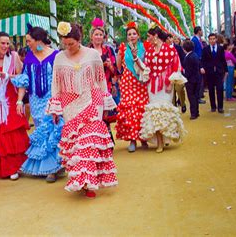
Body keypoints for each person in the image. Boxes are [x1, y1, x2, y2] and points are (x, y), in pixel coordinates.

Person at [47, 22, 117, 198]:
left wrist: (105, 103)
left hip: (92, 100)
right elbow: (56, 83)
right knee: (77, 144)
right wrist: (55, 108)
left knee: (90, 141)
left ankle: (88, 183)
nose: (68, 47)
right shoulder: (59, 58)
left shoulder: (93, 55)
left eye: (71, 43)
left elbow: (101, 80)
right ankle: (83, 179)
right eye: (65, 44)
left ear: (79, 40)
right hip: (69, 104)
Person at [12, 27, 63, 183]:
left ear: (38, 40)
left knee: (52, 130)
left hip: (52, 98)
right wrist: (20, 100)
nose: (27, 44)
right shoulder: (29, 57)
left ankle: (54, 169)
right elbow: (24, 80)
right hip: (35, 100)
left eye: (29, 41)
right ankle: (45, 167)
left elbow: (61, 79)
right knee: (40, 130)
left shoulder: (56, 56)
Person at [0, 32, 30, 180]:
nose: (5, 46)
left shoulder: (14, 56)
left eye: (7, 43)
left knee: (13, 133)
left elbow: (22, 78)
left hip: (11, 99)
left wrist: (8, 76)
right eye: (3, 43)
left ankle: (16, 166)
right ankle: (4, 167)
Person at [138, 27, 187, 153]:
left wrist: (171, 82)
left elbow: (176, 66)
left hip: (166, 85)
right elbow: (146, 68)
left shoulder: (170, 50)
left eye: (149, 36)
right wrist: (136, 60)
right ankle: (159, 141)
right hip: (152, 85)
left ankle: (167, 135)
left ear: (155, 36)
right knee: (154, 112)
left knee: (165, 111)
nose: (147, 39)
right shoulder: (149, 51)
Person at [115, 22, 150, 152]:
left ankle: (144, 138)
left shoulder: (144, 46)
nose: (132, 36)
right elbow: (118, 65)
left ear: (138, 35)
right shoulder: (123, 48)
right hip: (128, 82)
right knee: (130, 111)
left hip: (141, 82)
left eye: (134, 33)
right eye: (129, 34)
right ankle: (132, 140)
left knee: (142, 109)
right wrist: (123, 75)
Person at [201, 33, 228, 113]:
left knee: (220, 89)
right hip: (209, 72)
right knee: (211, 90)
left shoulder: (220, 48)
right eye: (210, 39)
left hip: (219, 71)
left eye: (213, 39)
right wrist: (202, 67)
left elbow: (223, 60)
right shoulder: (205, 49)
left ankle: (220, 107)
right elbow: (203, 60)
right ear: (208, 40)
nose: (212, 40)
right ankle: (213, 106)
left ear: (216, 39)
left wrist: (226, 70)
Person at [167, 34, 186, 113]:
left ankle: (183, 103)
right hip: (169, 72)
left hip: (178, 71)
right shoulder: (164, 48)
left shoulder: (178, 48)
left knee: (179, 89)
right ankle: (174, 106)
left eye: (169, 38)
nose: (168, 40)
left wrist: (182, 68)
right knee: (172, 91)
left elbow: (182, 58)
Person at [182, 40, 201, 120]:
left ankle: (193, 113)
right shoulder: (195, 55)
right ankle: (196, 112)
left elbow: (188, 71)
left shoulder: (188, 58)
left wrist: (183, 76)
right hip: (197, 78)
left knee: (191, 97)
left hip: (190, 80)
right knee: (196, 96)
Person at [191, 27, 206, 104]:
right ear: (199, 31)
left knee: (200, 79)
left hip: (200, 60)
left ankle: (199, 95)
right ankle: (198, 97)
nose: (202, 32)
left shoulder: (198, 40)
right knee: (198, 79)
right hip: (197, 61)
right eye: (201, 30)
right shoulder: (194, 40)